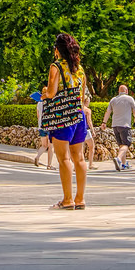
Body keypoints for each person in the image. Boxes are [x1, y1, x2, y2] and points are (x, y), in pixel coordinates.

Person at [41, 33, 91, 210]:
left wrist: (45, 91)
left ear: (57, 50)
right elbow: (82, 95)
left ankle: (68, 199)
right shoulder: (80, 68)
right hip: (78, 116)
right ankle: (80, 199)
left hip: (62, 117)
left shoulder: (55, 66)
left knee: (63, 159)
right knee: (80, 158)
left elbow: (52, 93)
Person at [106, 83, 135, 172]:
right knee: (126, 144)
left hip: (115, 125)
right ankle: (119, 159)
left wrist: (104, 122)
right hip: (125, 125)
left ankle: (123, 164)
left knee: (121, 145)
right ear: (126, 91)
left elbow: (108, 112)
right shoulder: (129, 98)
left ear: (119, 91)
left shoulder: (113, 100)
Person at [31, 90, 50, 167]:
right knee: (50, 146)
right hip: (49, 126)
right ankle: (49, 164)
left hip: (41, 126)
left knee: (44, 145)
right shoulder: (49, 103)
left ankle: (37, 157)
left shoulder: (39, 103)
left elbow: (38, 115)